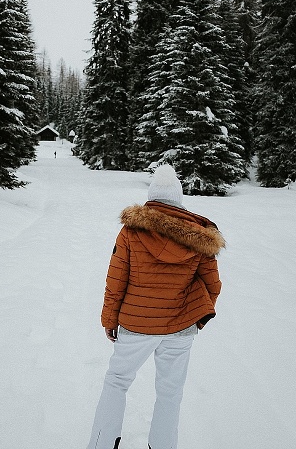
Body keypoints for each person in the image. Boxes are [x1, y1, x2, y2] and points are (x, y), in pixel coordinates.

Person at [86, 164, 225, 449]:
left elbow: (116, 281)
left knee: (116, 382)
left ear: (151, 197)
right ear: (179, 199)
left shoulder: (130, 231)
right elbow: (213, 284)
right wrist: (196, 319)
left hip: (136, 324)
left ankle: (101, 445)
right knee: (170, 393)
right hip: (180, 328)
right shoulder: (200, 237)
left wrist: (109, 319)